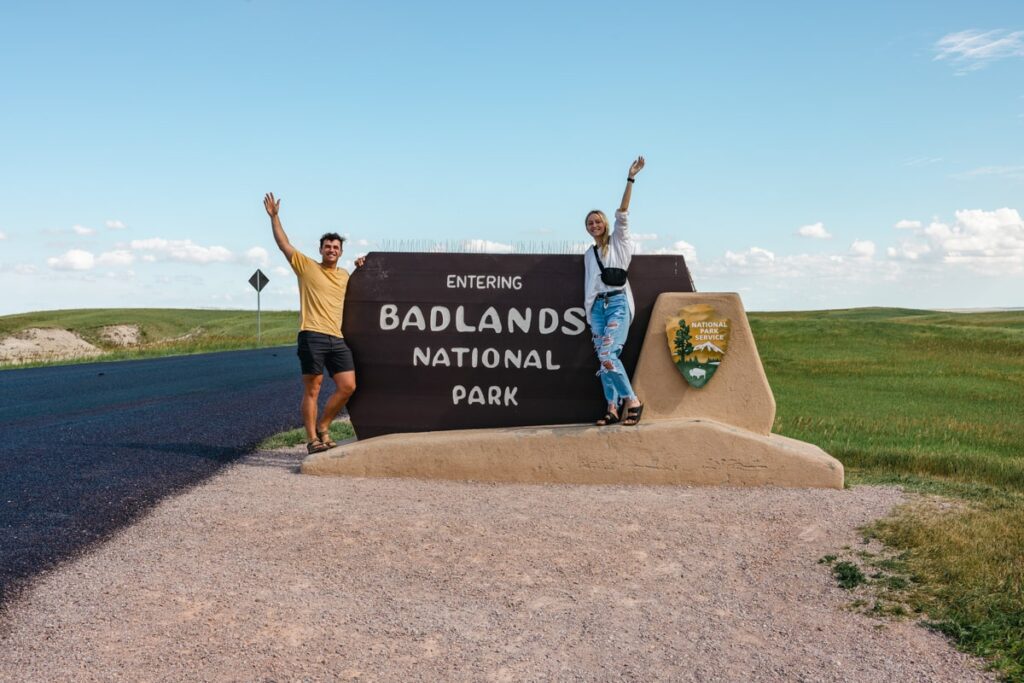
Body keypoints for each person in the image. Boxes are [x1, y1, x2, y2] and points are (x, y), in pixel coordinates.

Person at [264, 192, 364, 454]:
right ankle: (312, 439)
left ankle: (324, 425)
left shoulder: (345, 275)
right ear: (320, 250)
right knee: (313, 389)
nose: (332, 250)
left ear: (341, 252)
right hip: (312, 335)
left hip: (337, 338)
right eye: (327, 246)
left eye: (336, 247)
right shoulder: (307, 267)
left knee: (348, 386)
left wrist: (364, 265)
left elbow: (365, 285)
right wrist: (275, 217)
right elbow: (283, 244)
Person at [584, 156, 645, 426]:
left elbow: (623, 212)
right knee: (604, 359)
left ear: (605, 224)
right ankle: (611, 407)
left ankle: (632, 400)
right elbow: (590, 286)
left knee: (608, 356)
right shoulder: (590, 253)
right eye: (590, 224)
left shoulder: (619, 242)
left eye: (597, 222)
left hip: (618, 304)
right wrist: (589, 312)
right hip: (598, 308)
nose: (594, 226)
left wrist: (630, 178)